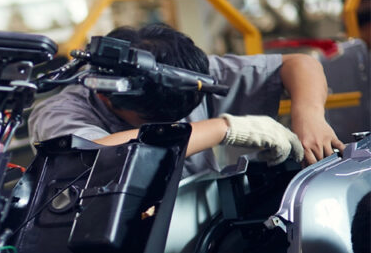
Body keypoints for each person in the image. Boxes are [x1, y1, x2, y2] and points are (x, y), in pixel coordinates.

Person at [26, 23, 344, 176]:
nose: (172, 125)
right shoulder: (58, 112)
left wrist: (310, 116)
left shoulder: (181, 74)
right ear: (105, 96)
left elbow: (299, 64)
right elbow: (94, 156)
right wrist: (224, 128)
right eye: (154, 123)